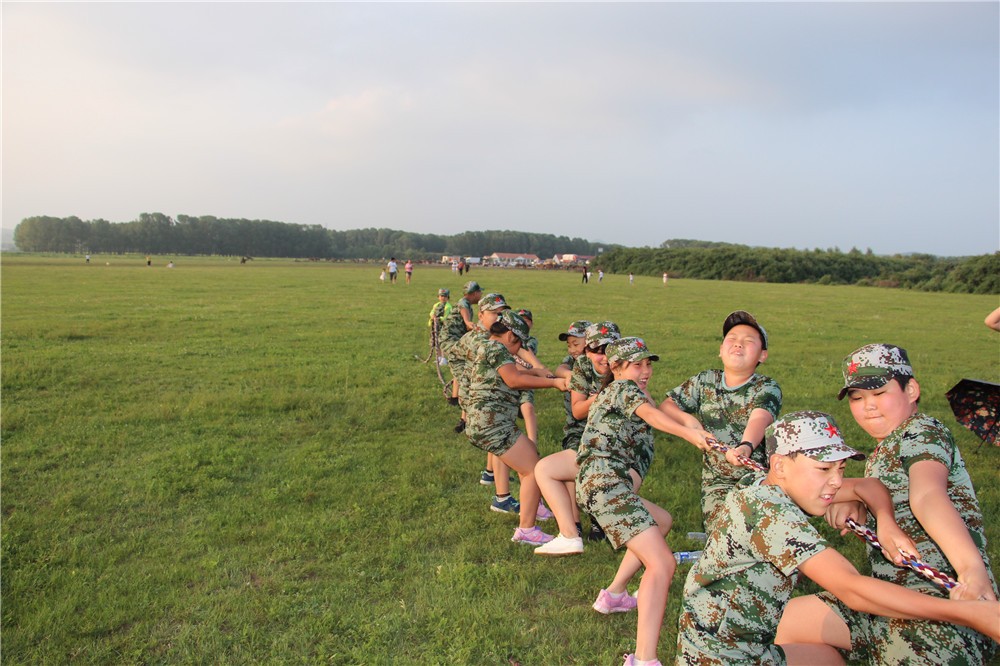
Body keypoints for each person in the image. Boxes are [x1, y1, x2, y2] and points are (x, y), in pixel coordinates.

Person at [676, 410, 1000, 666]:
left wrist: (886, 523)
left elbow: (868, 486)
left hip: (746, 639)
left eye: (841, 468)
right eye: (824, 469)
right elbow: (852, 589)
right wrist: (971, 613)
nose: (835, 482)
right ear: (781, 465)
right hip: (722, 656)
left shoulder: (766, 483)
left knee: (827, 659)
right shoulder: (768, 513)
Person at [775, 345, 998, 664]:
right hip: (886, 595)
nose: (868, 406)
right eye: (857, 398)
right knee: (779, 622)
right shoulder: (882, 454)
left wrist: (971, 571)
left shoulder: (922, 431)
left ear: (912, 390)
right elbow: (868, 490)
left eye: (879, 393)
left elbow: (927, 495)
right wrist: (856, 499)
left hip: (940, 604)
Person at [572, 338, 715, 665]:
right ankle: (644, 659)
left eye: (648, 364)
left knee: (661, 520)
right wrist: (691, 435)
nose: (646, 371)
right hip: (606, 485)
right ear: (616, 368)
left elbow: (662, 411)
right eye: (637, 365)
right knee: (662, 564)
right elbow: (652, 415)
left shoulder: (631, 392)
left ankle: (615, 594)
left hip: (605, 484)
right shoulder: (622, 388)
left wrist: (695, 427)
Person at [659, 310, 781, 534]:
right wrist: (690, 422)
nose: (738, 344)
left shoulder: (766, 387)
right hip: (717, 482)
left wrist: (745, 447)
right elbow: (667, 406)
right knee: (722, 535)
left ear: (762, 355)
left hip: (758, 478)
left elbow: (760, 417)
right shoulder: (705, 380)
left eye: (748, 341)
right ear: (720, 349)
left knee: (757, 534)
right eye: (731, 339)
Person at [464, 310, 568, 545]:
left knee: (530, 459)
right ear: (511, 336)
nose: (519, 349)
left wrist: (536, 371)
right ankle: (526, 530)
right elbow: (513, 379)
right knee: (534, 470)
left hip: (488, 422)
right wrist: (555, 383)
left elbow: (511, 371)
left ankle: (533, 509)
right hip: (492, 424)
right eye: (520, 343)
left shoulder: (489, 346)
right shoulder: (497, 349)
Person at [535, 321, 622, 551]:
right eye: (597, 351)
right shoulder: (581, 365)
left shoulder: (624, 368)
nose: (604, 357)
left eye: (608, 350)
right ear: (588, 351)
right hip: (578, 430)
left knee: (596, 475)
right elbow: (577, 409)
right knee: (568, 472)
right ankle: (574, 525)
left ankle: (598, 521)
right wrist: (599, 395)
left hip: (611, 436)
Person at [439, 281, 482, 413]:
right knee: (463, 370)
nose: (481, 295)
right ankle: (467, 404)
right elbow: (467, 322)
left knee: (461, 366)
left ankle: (454, 398)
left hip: (456, 339)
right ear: (474, 293)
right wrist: (477, 327)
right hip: (450, 340)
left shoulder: (466, 304)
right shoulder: (463, 304)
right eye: (480, 292)